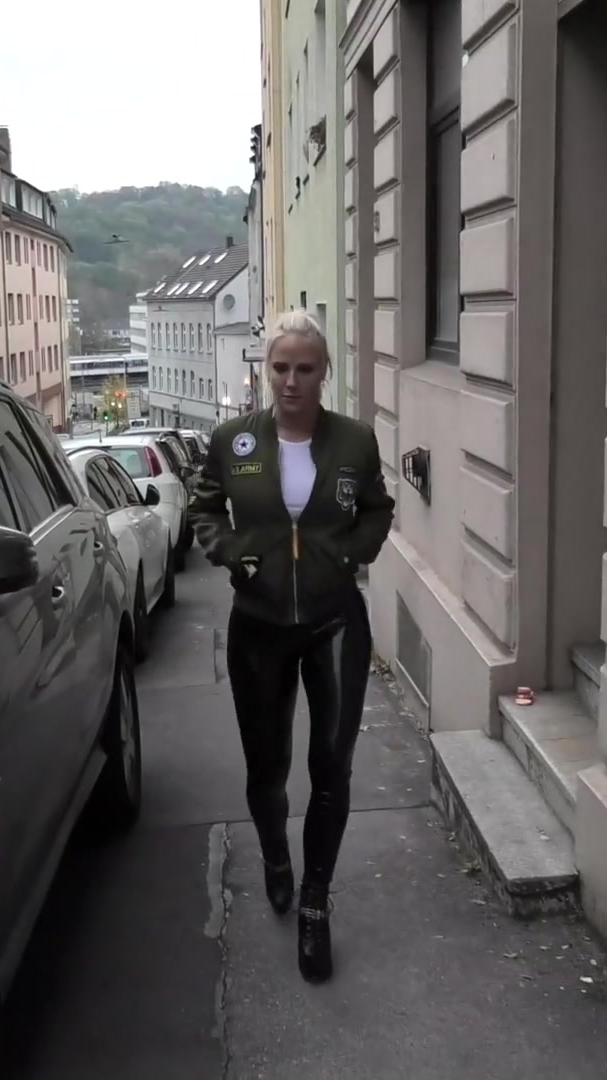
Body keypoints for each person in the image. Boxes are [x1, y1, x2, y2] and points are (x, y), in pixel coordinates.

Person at [189, 310, 396, 983]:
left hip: (335, 621)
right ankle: (276, 854)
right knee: (267, 768)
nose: (291, 381)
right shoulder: (234, 440)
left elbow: (377, 509)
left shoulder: (355, 441)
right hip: (260, 623)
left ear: (323, 372)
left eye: (305, 369)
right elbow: (204, 508)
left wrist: (352, 555)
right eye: (281, 367)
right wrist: (233, 554)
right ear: (266, 369)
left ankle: (314, 901)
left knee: (332, 766)